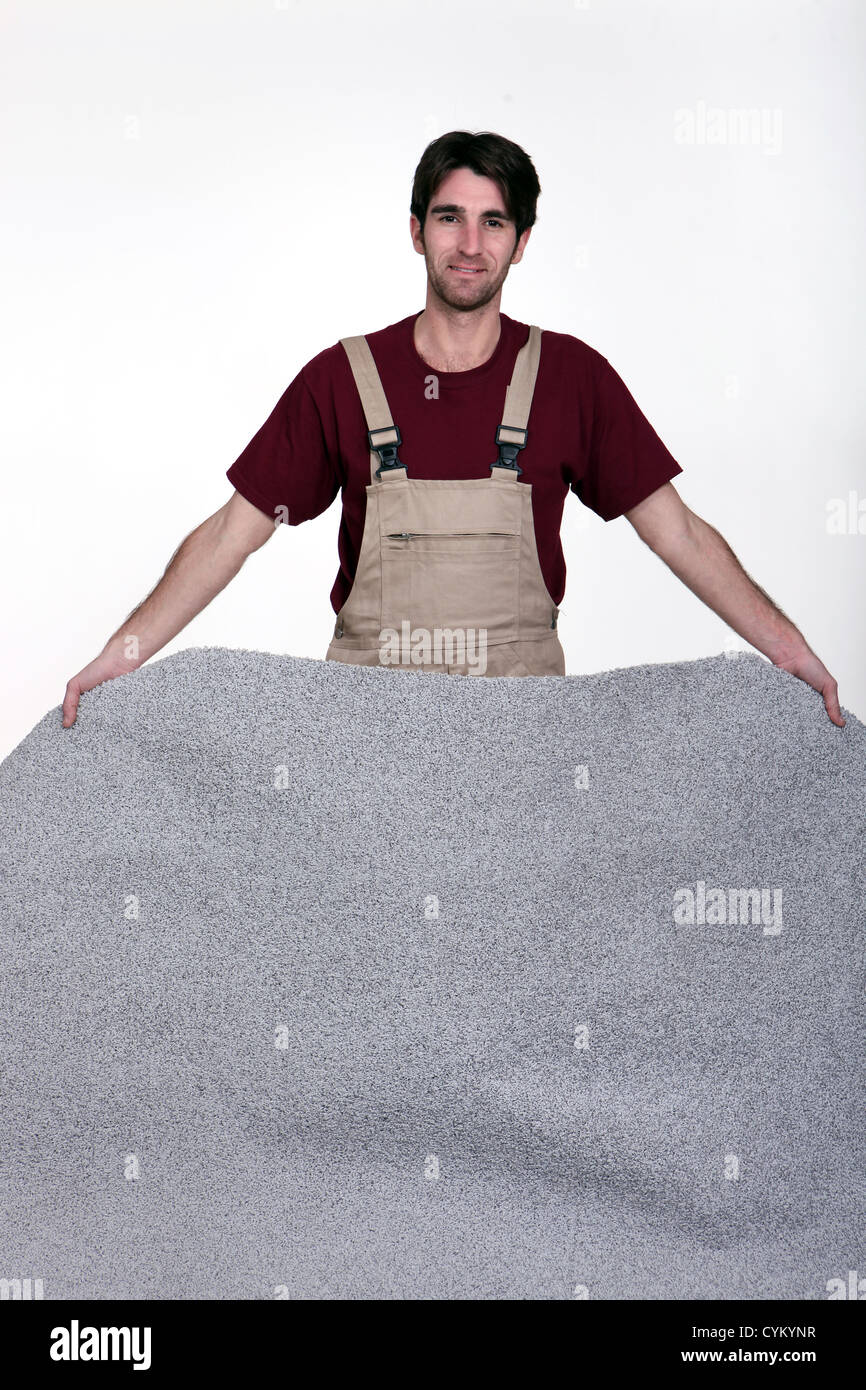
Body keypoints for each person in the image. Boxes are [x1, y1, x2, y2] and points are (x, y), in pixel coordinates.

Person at [62, 130, 844, 726]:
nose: (470, 245)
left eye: (494, 222)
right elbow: (232, 534)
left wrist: (790, 650)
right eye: (450, 218)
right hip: (367, 740)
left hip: (526, 749)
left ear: (522, 242)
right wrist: (119, 657)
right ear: (416, 230)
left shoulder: (574, 379)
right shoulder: (343, 378)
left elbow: (679, 536)